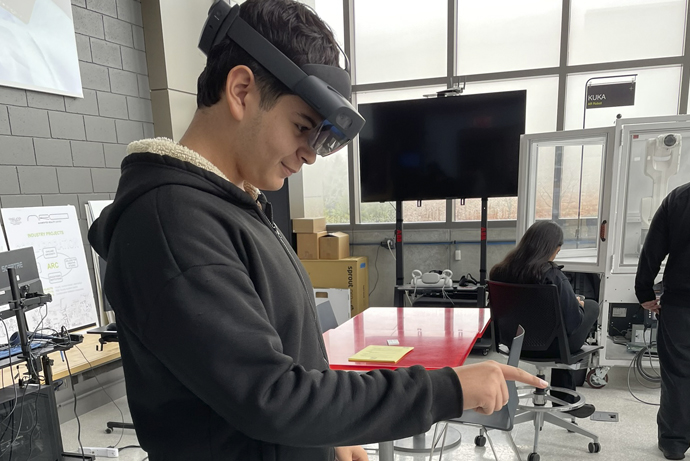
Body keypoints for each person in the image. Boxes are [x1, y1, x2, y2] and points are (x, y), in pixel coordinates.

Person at [88, 1, 546, 460]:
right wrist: (447, 389)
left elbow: (282, 361)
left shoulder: (231, 207)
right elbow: (271, 396)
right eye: (302, 126)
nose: (309, 153)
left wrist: (330, 433)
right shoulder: (174, 225)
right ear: (242, 89)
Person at [490, 220, 599, 418]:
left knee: (558, 324)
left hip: (514, 344)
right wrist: (578, 306)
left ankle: (566, 398)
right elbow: (572, 322)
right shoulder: (553, 276)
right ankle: (566, 399)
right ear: (554, 248)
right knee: (590, 306)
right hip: (552, 346)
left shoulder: (500, 271)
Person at [635, 182, 690, 461]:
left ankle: (674, 443)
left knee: (678, 374)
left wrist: (644, 292)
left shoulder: (679, 198)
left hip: (682, 302)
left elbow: (652, 248)